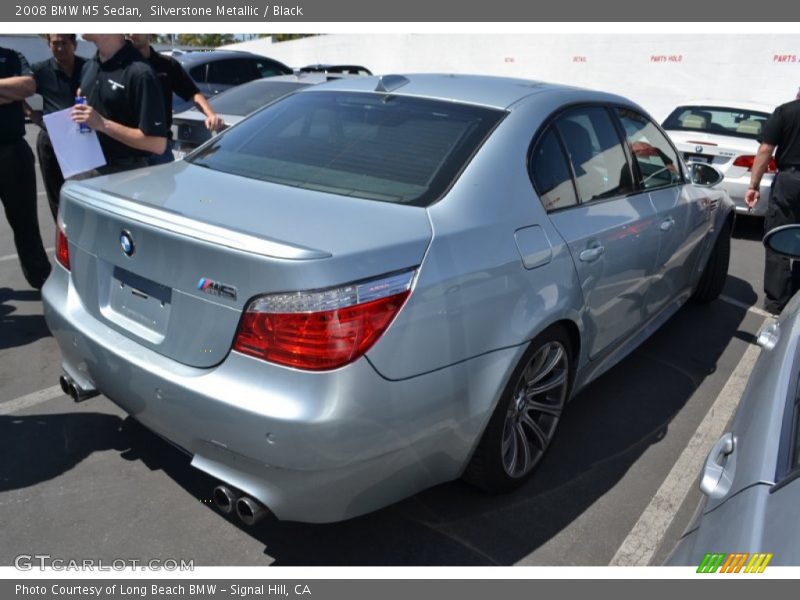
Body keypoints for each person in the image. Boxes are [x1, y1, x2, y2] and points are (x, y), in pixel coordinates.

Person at [71, 34, 167, 175]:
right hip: (88, 167)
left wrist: (103, 124)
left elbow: (157, 144)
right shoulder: (89, 66)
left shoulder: (140, 73)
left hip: (125, 176)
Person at [127, 34, 223, 165]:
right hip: (129, 147)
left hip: (160, 146)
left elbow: (193, 93)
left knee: (165, 185)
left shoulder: (167, 65)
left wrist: (211, 115)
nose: (131, 34)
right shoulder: (122, 66)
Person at [0, 45, 51, 290]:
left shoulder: (11, 56)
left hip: (12, 151)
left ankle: (41, 279)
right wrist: (9, 92)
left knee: (26, 222)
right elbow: (17, 91)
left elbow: (28, 87)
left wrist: (17, 91)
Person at [745, 90, 800, 315]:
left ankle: (777, 303)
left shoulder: (785, 111)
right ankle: (797, 298)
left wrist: (753, 186)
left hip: (790, 181)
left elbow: (766, 149)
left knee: (778, 235)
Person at [24, 34, 86, 220]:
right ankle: (63, 243)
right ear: (49, 45)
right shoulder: (40, 70)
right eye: (54, 43)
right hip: (52, 141)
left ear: (74, 44)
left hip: (85, 141)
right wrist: (32, 115)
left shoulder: (89, 67)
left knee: (86, 193)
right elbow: (19, 91)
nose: (59, 48)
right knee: (57, 196)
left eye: (64, 43)